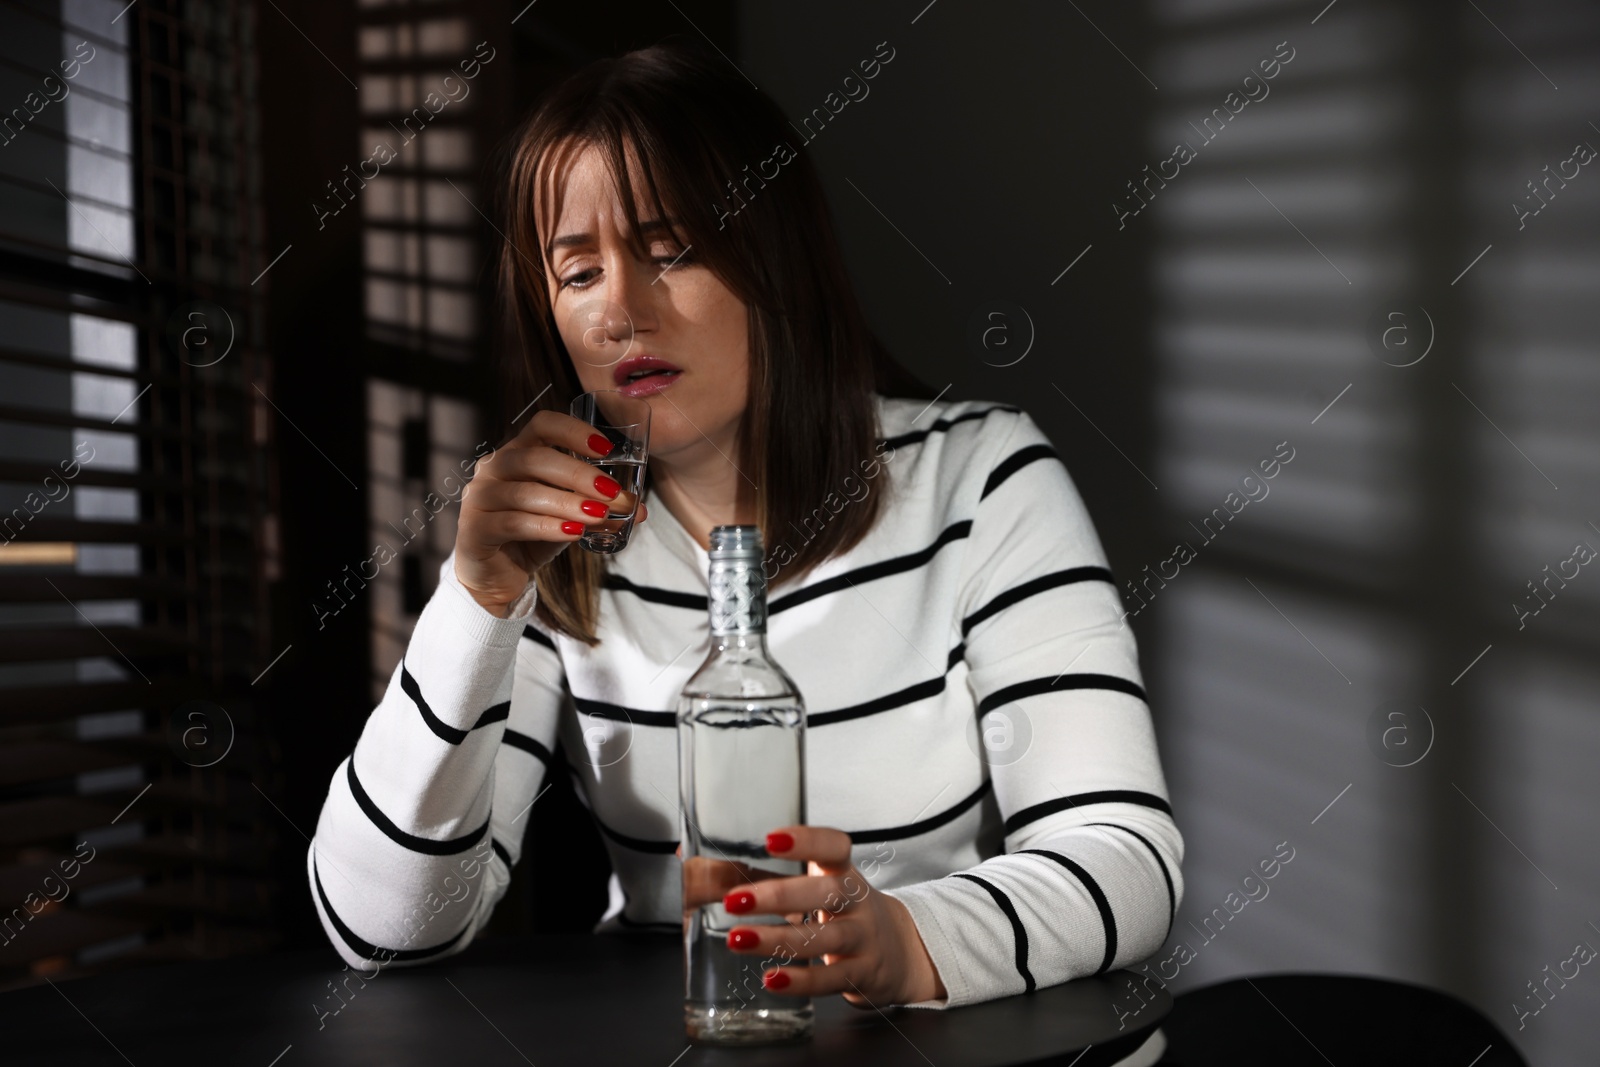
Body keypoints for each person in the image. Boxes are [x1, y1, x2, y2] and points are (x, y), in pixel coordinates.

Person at [307, 37, 1183, 1055]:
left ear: (777, 255)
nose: (621, 310)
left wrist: (902, 938)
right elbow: (383, 929)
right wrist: (475, 599)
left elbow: (1125, 854)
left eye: (670, 249)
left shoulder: (979, 479)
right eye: (577, 269)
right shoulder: (559, 549)